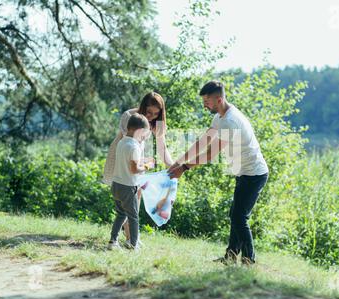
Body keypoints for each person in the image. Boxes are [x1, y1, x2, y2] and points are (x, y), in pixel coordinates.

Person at [168, 80, 269, 265]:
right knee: (236, 215)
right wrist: (179, 161)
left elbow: (209, 154)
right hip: (244, 172)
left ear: (219, 99)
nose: (204, 105)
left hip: (254, 174)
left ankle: (248, 260)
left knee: (239, 217)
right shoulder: (220, 117)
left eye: (207, 101)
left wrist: (183, 168)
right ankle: (231, 256)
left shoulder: (230, 121)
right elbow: (203, 141)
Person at [103, 92, 174, 245]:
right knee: (128, 197)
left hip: (138, 156)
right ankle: (130, 237)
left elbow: (162, 148)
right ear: (143, 107)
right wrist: (141, 164)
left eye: (156, 114)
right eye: (149, 112)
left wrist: (172, 165)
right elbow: (126, 144)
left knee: (137, 197)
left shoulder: (158, 122)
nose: (151, 116)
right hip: (123, 155)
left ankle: (130, 237)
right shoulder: (130, 116)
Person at [108, 114, 154, 250]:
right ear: (139, 131)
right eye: (144, 133)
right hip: (128, 187)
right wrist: (147, 166)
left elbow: (127, 162)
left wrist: (143, 161)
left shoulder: (122, 142)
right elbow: (134, 169)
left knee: (120, 214)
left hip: (116, 184)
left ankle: (112, 241)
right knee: (133, 217)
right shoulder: (134, 146)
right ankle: (134, 245)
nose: (144, 137)